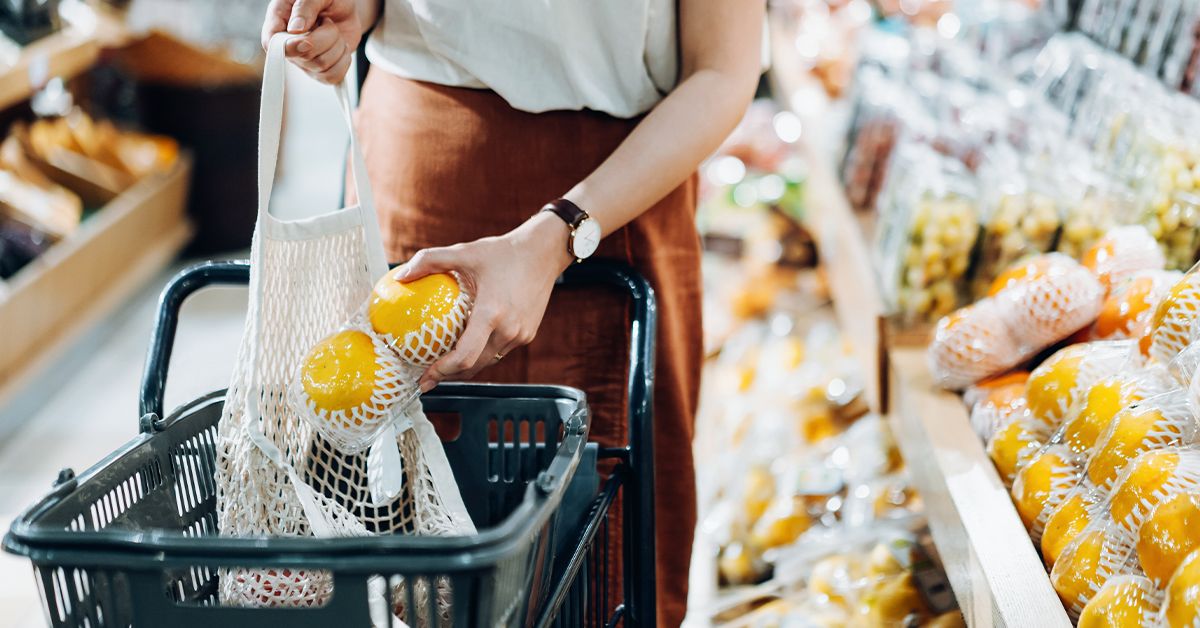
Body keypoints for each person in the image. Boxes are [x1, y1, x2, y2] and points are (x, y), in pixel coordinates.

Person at [262, 0, 764, 624]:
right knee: (393, 540)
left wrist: (559, 235)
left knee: (593, 558)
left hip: (613, 194)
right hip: (417, 176)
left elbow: (722, 70)